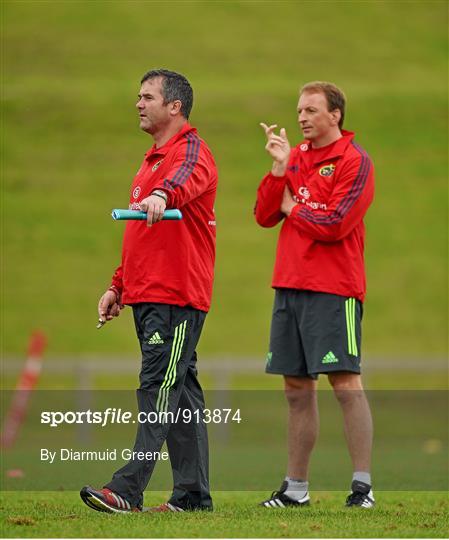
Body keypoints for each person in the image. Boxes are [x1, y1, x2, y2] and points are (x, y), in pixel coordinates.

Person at [80, 69, 218, 513]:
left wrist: (162, 194)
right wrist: (118, 286)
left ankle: (127, 488)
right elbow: (141, 234)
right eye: (137, 97)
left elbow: (185, 180)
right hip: (149, 295)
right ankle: (192, 497)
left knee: (157, 386)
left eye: (147, 97)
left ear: (174, 106)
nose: (138, 103)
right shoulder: (151, 160)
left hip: (176, 296)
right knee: (180, 393)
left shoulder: (189, 151)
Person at [255, 81, 375, 508]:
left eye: (310, 110)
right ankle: (296, 489)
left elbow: (336, 224)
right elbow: (264, 215)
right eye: (299, 110)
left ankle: (362, 486)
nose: (301, 117)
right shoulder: (296, 158)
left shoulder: (354, 160)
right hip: (289, 285)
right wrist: (277, 170)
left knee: (345, 384)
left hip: (334, 288)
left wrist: (294, 208)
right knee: (295, 390)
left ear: (335, 114)